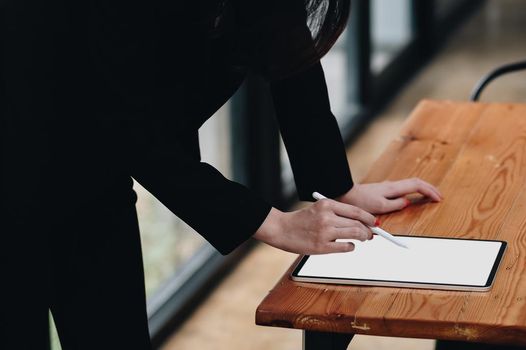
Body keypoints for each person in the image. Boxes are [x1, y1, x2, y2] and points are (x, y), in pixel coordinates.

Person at [0, 0, 440, 348]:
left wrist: (338, 188)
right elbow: (129, 127)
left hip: (96, 179)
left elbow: (288, 46)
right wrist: (274, 222)